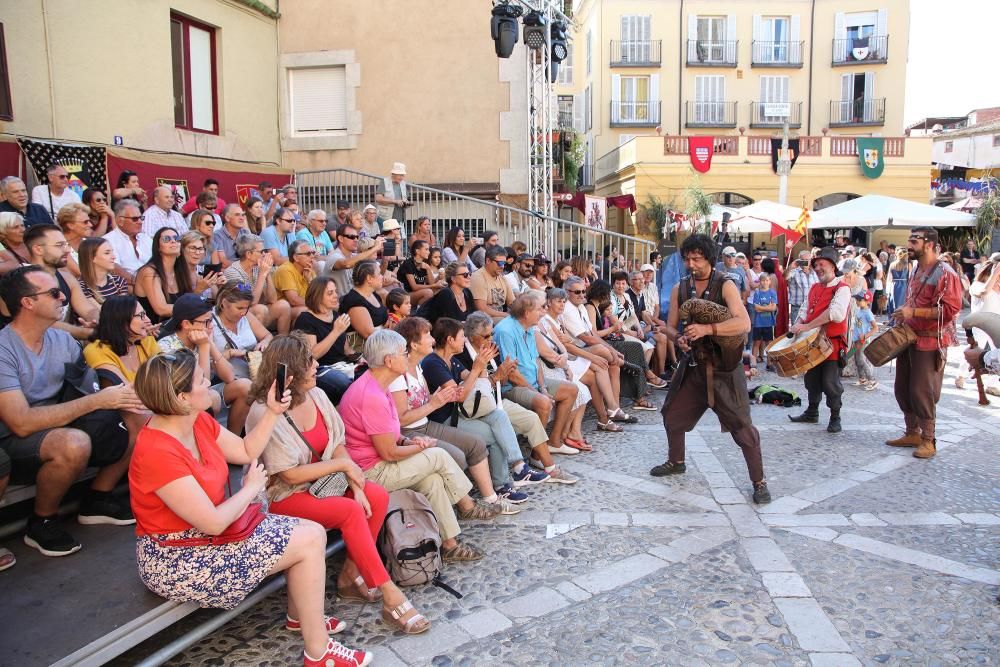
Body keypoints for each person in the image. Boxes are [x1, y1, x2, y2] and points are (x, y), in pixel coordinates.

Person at [128, 350, 372, 666]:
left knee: (311, 532)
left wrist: (272, 411)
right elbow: (213, 522)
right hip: (177, 556)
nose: (210, 386)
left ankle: (303, 620)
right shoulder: (157, 452)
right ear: (182, 398)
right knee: (309, 539)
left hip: (211, 533)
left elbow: (245, 450)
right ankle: (319, 652)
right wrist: (251, 489)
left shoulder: (197, 419)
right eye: (202, 381)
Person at [246, 334, 430, 635]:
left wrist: (355, 481)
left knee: (375, 495)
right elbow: (288, 476)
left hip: (325, 481)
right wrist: (344, 467)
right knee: (349, 511)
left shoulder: (317, 396)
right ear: (290, 371)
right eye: (310, 362)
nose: (317, 366)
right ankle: (389, 594)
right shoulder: (265, 410)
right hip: (286, 494)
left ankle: (350, 574)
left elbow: (338, 444)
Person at [0, 266, 146, 556]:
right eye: (54, 293)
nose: (63, 299)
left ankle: (98, 498)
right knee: (73, 443)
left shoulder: (62, 340)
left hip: (64, 420)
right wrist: (97, 401)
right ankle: (42, 521)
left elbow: (88, 385)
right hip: (16, 440)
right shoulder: (4, 349)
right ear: (27, 302)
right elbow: (20, 423)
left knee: (137, 414)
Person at [338, 329, 500, 562]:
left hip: (378, 462)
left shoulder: (378, 386)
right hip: (371, 472)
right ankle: (467, 505)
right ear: (389, 361)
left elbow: (393, 437)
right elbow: (389, 452)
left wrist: (410, 441)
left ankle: (450, 544)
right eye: (403, 353)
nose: (407, 357)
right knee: (437, 455)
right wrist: (421, 447)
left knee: (432, 480)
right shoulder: (372, 395)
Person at [653, 234, 770, 504]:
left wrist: (708, 328)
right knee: (672, 415)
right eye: (687, 258)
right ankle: (676, 461)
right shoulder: (679, 288)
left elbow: (744, 324)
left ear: (709, 258)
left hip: (725, 370)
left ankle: (759, 481)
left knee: (743, 430)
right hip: (694, 367)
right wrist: (677, 338)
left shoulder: (725, 284)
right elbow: (670, 327)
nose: (691, 263)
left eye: (697, 258)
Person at [392, 317, 523, 511]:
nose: (432, 339)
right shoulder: (422, 366)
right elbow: (405, 417)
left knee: (491, 427)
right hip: (421, 426)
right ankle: (473, 502)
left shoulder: (419, 366)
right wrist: (477, 368)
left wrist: (481, 366)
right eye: (427, 335)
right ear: (414, 344)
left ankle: (493, 497)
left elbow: (471, 385)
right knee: (463, 453)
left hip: (433, 420)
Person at [457, 312, 576, 484]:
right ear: (472, 336)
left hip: (495, 400)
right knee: (503, 424)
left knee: (532, 419)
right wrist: (496, 376)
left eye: (491, 333)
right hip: (476, 407)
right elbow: (469, 389)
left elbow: (500, 380)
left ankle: (550, 468)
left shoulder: (491, 348)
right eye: (486, 335)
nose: (491, 338)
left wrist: (504, 372)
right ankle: (516, 472)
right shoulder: (462, 354)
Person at [884, 228, 962, 460]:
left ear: (929, 244)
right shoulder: (917, 268)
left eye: (914, 241)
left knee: (922, 390)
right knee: (902, 388)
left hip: (930, 339)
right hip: (909, 335)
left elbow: (950, 311)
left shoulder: (946, 273)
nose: (909, 244)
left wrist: (913, 311)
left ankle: (929, 440)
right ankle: (912, 432)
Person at [494, 291, 583, 458]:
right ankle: (537, 456)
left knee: (571, 389)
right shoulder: (505, 330)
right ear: (527, 313)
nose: (543, 312)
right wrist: (538, 393)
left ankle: (554, 442)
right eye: (539, 309)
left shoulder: (528, 327)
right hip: (512, 387)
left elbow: (536, 362)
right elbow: (512, 374)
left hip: (532, 382)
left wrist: (542, 387)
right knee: (544, 403)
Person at [157, 294, 253, 436]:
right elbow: (203, 385)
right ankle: (209, 441)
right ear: (186, 324)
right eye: (206, 322)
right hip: (182, 400)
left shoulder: (203, 336)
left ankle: (234, 438)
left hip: (203, 393)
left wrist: (210, 344)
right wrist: (203, 347)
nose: (211, 326)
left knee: (245, 386)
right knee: (212, 397)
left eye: (211, 320)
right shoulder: (168, 347)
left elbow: (230, 376)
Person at [786, 247, 852, 433]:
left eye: (821, 264)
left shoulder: (842, 288)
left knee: (830, 382)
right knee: (812, 380)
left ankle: (835, 416)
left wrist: (807, 327)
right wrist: (798, 324)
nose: (817, 268)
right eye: (815, 265)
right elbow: (804, 310)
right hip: (812, 344)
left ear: (832, 265)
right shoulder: (815, 287)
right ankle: (812, 412)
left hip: (832, 344)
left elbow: (836, 314)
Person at [584, 279, 656, 410]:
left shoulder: (595, 307)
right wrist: (612, 329)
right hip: (603, 343)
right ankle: (643, 381)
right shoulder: (590, 307)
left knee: (637, 348)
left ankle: (641, 385)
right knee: (635, 349)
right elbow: (594, 334)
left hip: (607, 341)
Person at [535, 291, 594, 448]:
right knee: (578, 389)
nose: (545, 308)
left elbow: (561, 346)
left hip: (559, 365)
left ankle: (571, 433)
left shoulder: (545, 323)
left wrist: (565, 360)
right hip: (546, 368)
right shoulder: (534, 327)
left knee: (583, 390)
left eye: (545, 305)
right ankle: (561, 436)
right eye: (542, 306)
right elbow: (544, 352)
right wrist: (561, 361)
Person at [22, 224, 97, 340]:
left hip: (61, 345)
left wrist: (96, 321)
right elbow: (42, 322)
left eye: (66, 244)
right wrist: (85, 333)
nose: (67, 250)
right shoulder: (21, 280)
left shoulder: (67, 278)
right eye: (59, 245)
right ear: (38, 249)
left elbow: (88, 309)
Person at [294, 277, 356, 404]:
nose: (336, 296)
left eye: (335, 292)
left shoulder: (336, 316)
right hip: (318, 368)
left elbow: (346, 349)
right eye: (330, 293)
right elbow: (312, 355)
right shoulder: (306, 319)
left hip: (341, 365)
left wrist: (361, 359)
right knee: (343, 383)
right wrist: (336, 331)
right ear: (317, 297)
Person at [84, 295, 161, 386]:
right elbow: (125, 393)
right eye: (141, 315)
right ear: (121, 320)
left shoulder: (147, 341)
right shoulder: (96, 350)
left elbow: (168, 375)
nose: (148, 320)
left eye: (145, 314)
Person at [224, 234, 293, 334]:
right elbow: (250, 302)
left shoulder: (258, 268)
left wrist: (267, 273)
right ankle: (256, 346)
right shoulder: (232, 272)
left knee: (283, 305)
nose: (264, 254)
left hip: (257, 312)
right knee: (260, 309)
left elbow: (272, 299)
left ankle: (282, 344)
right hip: (239, 316)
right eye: (261, 252)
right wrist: (262, 274)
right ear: (248, 254)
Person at [611, 271, 668, 384]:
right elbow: (615, 322)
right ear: (613, 284)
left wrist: (639, 329)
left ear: (626, 284)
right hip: (617, 333)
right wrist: (632, 332)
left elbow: (633, 316)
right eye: (618, 283)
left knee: (654, 343)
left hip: (631, 329)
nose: (621, 286)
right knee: (646, 346)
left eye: (623, 283)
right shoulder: (611, 298)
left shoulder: (626, 296)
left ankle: (645, 377)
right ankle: (643, 378)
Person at [211, 281, 273, 380]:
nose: (244, 312)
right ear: (224, 303)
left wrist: (264, 342)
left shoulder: (246, 315)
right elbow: (207, 365)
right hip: (228, 380)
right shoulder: (210, 323)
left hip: (254, 374)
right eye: (239, 308)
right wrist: (229, 354)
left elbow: (268, 335)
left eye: (247, 308)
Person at [134, 227, 189, 325]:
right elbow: (161, 309)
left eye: (176, 238)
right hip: (153, 331)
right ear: (158, 247)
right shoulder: (149, 272)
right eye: (166, 239)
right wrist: (195, 308)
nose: (173, 241)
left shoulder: (180, 271)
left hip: (177, 326)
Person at [328, 223, 383, 300]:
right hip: (339, 302)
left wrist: (385, 257)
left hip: (354, 297)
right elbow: (346, 264)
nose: (356, 240)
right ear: (340, 238)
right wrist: (375, 248)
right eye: (352, 237)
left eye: (357, 237)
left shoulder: (353, 256)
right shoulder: (334, 256)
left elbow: (371, 263)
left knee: (381, 294)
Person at [341, 260, 388, 343]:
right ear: (369, 278)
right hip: (364, 350)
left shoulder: (373, 294)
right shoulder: (354, 301)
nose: (382, 276)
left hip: (382, 342)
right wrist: (391, 330)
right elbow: (369, 335)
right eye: (379, 274)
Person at [78, 237, 129, 311]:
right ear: (92, 257)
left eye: (112, 252)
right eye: (107, 253)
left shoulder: (119, 281)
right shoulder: (81, 286)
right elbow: (102, 313)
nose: (114, 257)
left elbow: (123, 312)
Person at [105, 199, 153, 278]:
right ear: (120, 221)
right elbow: (114, 267)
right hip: (127, 286)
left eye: (141, 218)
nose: (140, 222)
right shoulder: (108, 241)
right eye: (135, 219)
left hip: (153, 281)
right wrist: (137, 283)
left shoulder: (145, 238)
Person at [273, 240, 316, 326]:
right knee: (305, 311)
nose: (312, 256)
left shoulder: (309, 268)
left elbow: (319, 294)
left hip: (302, 306)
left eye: (313, 253)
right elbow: (294, 300)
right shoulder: (285, 270)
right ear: (296, 257)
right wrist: (317, 304)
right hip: (284, 312)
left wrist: (310, 281)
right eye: (308, 254)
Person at [470, 245, 514, 321]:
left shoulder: (502, 278)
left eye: (504, 263)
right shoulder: (478, 277)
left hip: (500, 317)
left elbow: (512, 303)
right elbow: (481, 308)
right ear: (488, 261)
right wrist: (506, 315)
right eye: (500, 263)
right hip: (483, 320)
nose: (502, 266)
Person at [180, 231, 226, 301]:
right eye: (192, 248)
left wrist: (221, 287)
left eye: (200, 249)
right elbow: (181, 306)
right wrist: (199, 289)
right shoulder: (176, 273)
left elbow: (216, 299)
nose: (197, 252)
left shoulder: (204, 270)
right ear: (182, 249)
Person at [849, 290, 878, 391]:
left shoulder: (868, 313)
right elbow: (858, 326)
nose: (856, 301)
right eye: (856, 299)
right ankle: (862, 378)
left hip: (862, 341)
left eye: (859, 300)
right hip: (856, 340)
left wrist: (865, 336)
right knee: (857, 359)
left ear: (867, 301)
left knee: (861, 360)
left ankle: (872, 380)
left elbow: (875, 328)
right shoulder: (859, 310)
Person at [396, 239, 440, 306]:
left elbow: (432, 283)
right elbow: (414, 287)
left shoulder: (424, 265)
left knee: (438, 291)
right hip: (403, 295)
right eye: (426, 249)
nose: (429, 252)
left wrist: (428, 269)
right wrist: (434, 285)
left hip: (415, 294)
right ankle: (419, 313)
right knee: (428, 292)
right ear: (418, 251)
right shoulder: (408, 263)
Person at [56, 202, 93, 278]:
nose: (90, 225)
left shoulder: (89, 243)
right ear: (70, 225)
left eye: (89, 221)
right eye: (85, 222)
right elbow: (82, 273)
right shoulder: (59, 247)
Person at [750, 273, 777, 365]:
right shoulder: (757, 292)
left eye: (766, 280)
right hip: (758, 323)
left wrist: (762, 308)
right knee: (756, 343)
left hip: (768, 323)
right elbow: (756, 308)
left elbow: (773, 308)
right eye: (762, 280)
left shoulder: (772, 292)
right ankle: (753, 364)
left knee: (769, 344)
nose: (765, 282)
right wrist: (768, 307)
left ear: (769, 281)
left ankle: (769, 364)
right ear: (759, 282)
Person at [785, 250, 818, 326]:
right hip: (798, 307)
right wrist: (790, 267)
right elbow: (785, 277)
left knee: (809, 332)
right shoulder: (794, 271)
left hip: (811, 308)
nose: (805, 262)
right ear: (799, 260)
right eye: (803, 260)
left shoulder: (815, 272)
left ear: (810, 260)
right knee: (796, 331)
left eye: (807, 260)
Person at [375, 162, 410, 228]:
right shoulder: (384, 182)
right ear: (393, 174)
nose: (402, 177)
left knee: (398, 237)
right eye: (400, 175)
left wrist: (406, 203)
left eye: (403, 175)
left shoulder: (403, 183)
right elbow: (378, 198)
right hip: (386, 218)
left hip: (400, 218)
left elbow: (405, 199)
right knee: (386, 237)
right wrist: (395, 201)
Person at [887, 247, 911, 313]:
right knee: (903, 302)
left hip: (894, 285)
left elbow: (889, 278)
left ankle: (893, 319)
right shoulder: (908, 264)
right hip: (904, 285)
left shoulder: (892, 264)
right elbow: (911, 277)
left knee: (894, 302)